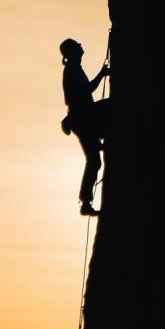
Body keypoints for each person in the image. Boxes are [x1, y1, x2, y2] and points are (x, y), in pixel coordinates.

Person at [59, 38, 110, 216]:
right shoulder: (72, 71)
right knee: (94, 160)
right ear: (73, 52)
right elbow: (86, 91)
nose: (82, 47)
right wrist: (102, 74)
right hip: (83, 118)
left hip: (82, 118)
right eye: (78, 46)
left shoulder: (73, 69)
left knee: (94, 160)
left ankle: (86, 202)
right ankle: (85, 202)